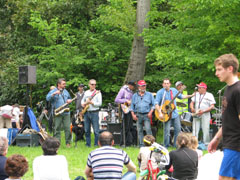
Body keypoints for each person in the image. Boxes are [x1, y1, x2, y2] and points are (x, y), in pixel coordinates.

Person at [208, 53, 240, 180]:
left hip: (236, 145)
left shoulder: (238, 90)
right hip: (229, 143)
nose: (216, 73)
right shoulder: (228, 89)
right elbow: (228, 120)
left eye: (219, 69)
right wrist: (216, 138)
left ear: (230, 68)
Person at [155, 78, 193, 147]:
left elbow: (181, 96)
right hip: (166, 114)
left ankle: (176, 145)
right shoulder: (160, 92)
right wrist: (160, 113)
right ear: (163, 84)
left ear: (170, 84)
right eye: (165, 83)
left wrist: (191, 95)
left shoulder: (174, 90)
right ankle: (166, 145)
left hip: (175, 114)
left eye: (167, 83)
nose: (166, 85)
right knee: (167, 132)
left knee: (178, 130)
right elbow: (156, 103)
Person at [46, 78, 72, 147]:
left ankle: (68, 143)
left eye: (65, 84)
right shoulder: (53, 91)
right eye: (63, 84)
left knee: (68, 128)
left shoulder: (66, 91)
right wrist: (54, 94)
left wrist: (69, 100)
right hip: (57, 112)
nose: (65, 85)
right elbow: (47, 98)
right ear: (59, 84)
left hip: (66, 112)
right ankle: (57, 144)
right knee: (57, 128)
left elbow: (69, 98)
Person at [130, 80, 155, 147]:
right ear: (139, 87)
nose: (144, 87)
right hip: (138, 114)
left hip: (147, 114)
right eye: (142, 86)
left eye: (144, 86)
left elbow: (154, 105)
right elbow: (132, 106)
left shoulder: (150, 95)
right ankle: (141, 144)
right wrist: (133, 115)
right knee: (139, 130)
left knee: (148, 129)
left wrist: (150, 113)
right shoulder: (135, 96)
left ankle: (150, 144)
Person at [81, 79, 102, 147]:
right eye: (92, 84)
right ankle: (88, 144)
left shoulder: (98, 93)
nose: (94, 86)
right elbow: (82, 100)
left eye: (95, 84)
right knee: (87, 130)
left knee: (96, 130)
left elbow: (99, 103)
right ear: (89, 85)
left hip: (94, 112)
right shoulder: (86, 92)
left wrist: (92, 103)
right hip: (87, 112)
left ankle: (96, 144)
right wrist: (83, 104)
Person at [115, 81, 135, 146]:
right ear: (130, 85)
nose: (134, 87)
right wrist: (126, 101)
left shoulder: (131, 92)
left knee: (130, 126)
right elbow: (117, 99)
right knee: (125, 126)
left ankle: (128, 142)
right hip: (125, 109)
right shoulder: (123, 90)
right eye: (133, 86)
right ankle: (122, 142)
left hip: (130, 109)